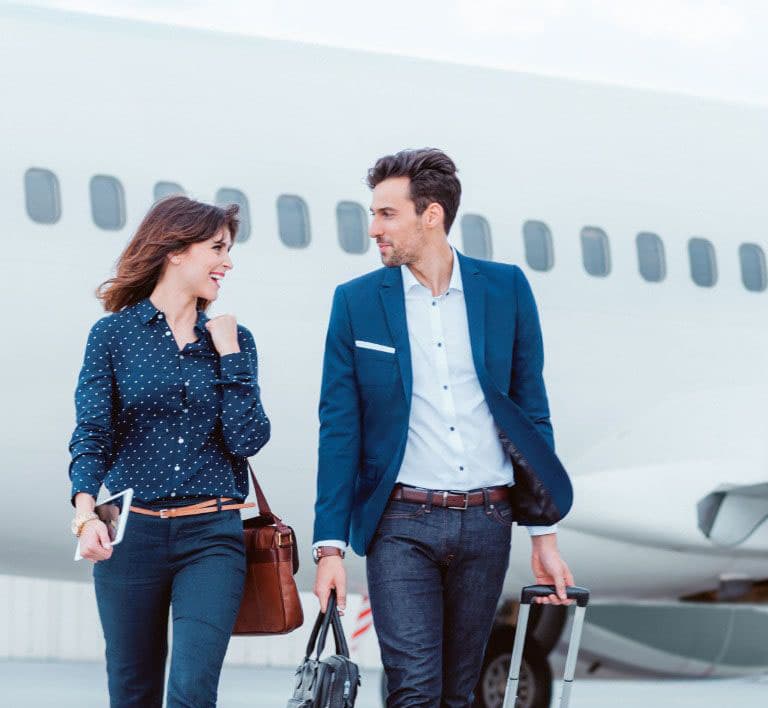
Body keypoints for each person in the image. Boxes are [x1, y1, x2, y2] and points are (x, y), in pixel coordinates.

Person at [312, 149, 575, 706]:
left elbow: (532, 414)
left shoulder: (506, 289)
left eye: (387, 214)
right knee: (413, 687)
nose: (373, 228)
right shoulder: (356, 303)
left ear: (430, 215)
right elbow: (339, 428)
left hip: (487, 521)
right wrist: (329, 548)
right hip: (400, 523)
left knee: (458, 692)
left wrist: (544, 536)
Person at [68, 195, 270, 707]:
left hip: (211, 535)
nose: (228, 262)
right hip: (131, 536)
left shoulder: (233, 338)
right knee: (132, 693)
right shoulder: (113, 335)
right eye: (217, 248)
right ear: (176, 251)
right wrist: (85, 513)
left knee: (192, 692)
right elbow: (92, 432)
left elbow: (248, 440)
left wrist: (230, 359)